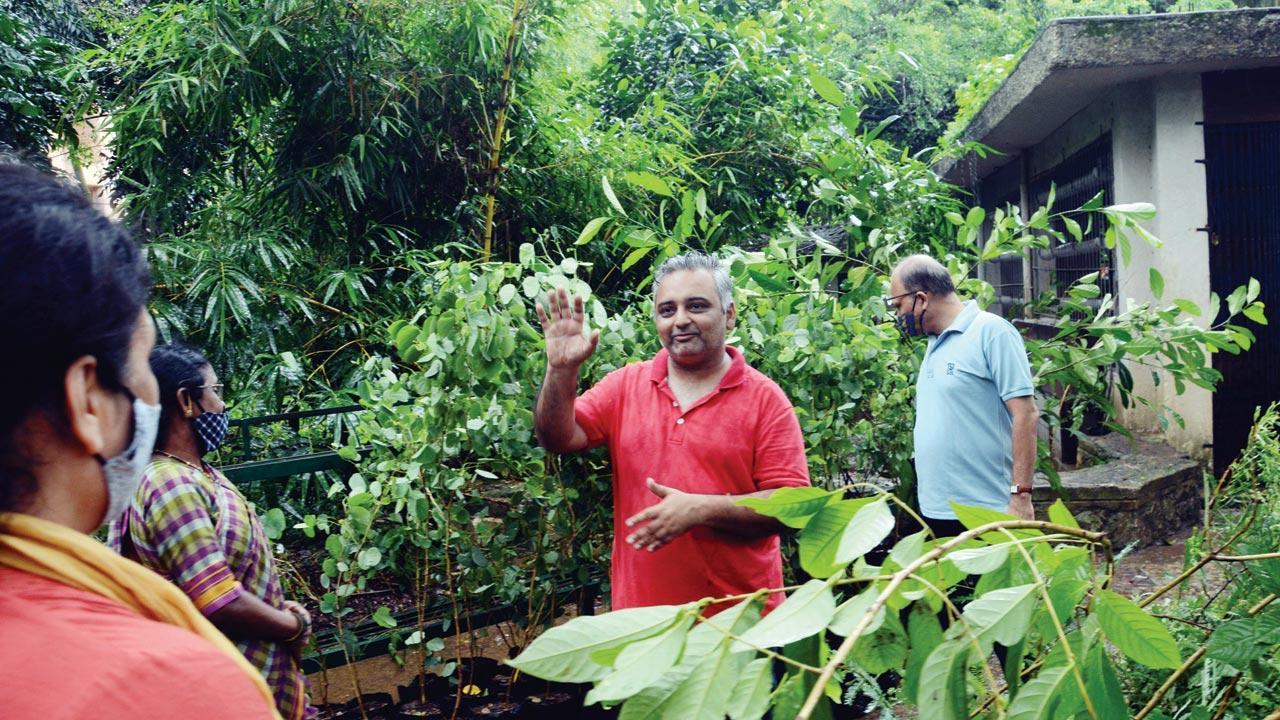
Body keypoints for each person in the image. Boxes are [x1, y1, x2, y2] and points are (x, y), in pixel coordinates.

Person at [0, 163, 280, 719]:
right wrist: (293, 623)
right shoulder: (165, 686)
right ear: (88, 401)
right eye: (139, 363)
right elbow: (216, 595)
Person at [533, 251, 810, 614]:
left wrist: (702, 508)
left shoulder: (765, 400)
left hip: (740, 631)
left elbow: (794, 509)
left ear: (728, 314)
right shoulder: (625, 385)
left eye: (696, 306)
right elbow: (557, 438)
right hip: (642, 627)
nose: (680, 320)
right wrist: (561, 371)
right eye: (667, 310)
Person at [109, 342, 316, 720]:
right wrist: (292, 625)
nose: (222, 407)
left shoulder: (196, 474)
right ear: (187, 401)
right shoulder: (169, 485)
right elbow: (218, 599)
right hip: (224, 690)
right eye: (216, 392)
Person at [885, 254, 1038, 537]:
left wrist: (1021, 495)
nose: (898, 315)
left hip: (986, 509)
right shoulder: (934, 342)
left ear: (921, 298)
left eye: (899, 305)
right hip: (937, 510)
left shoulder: (992, 332)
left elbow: (1026, 415)